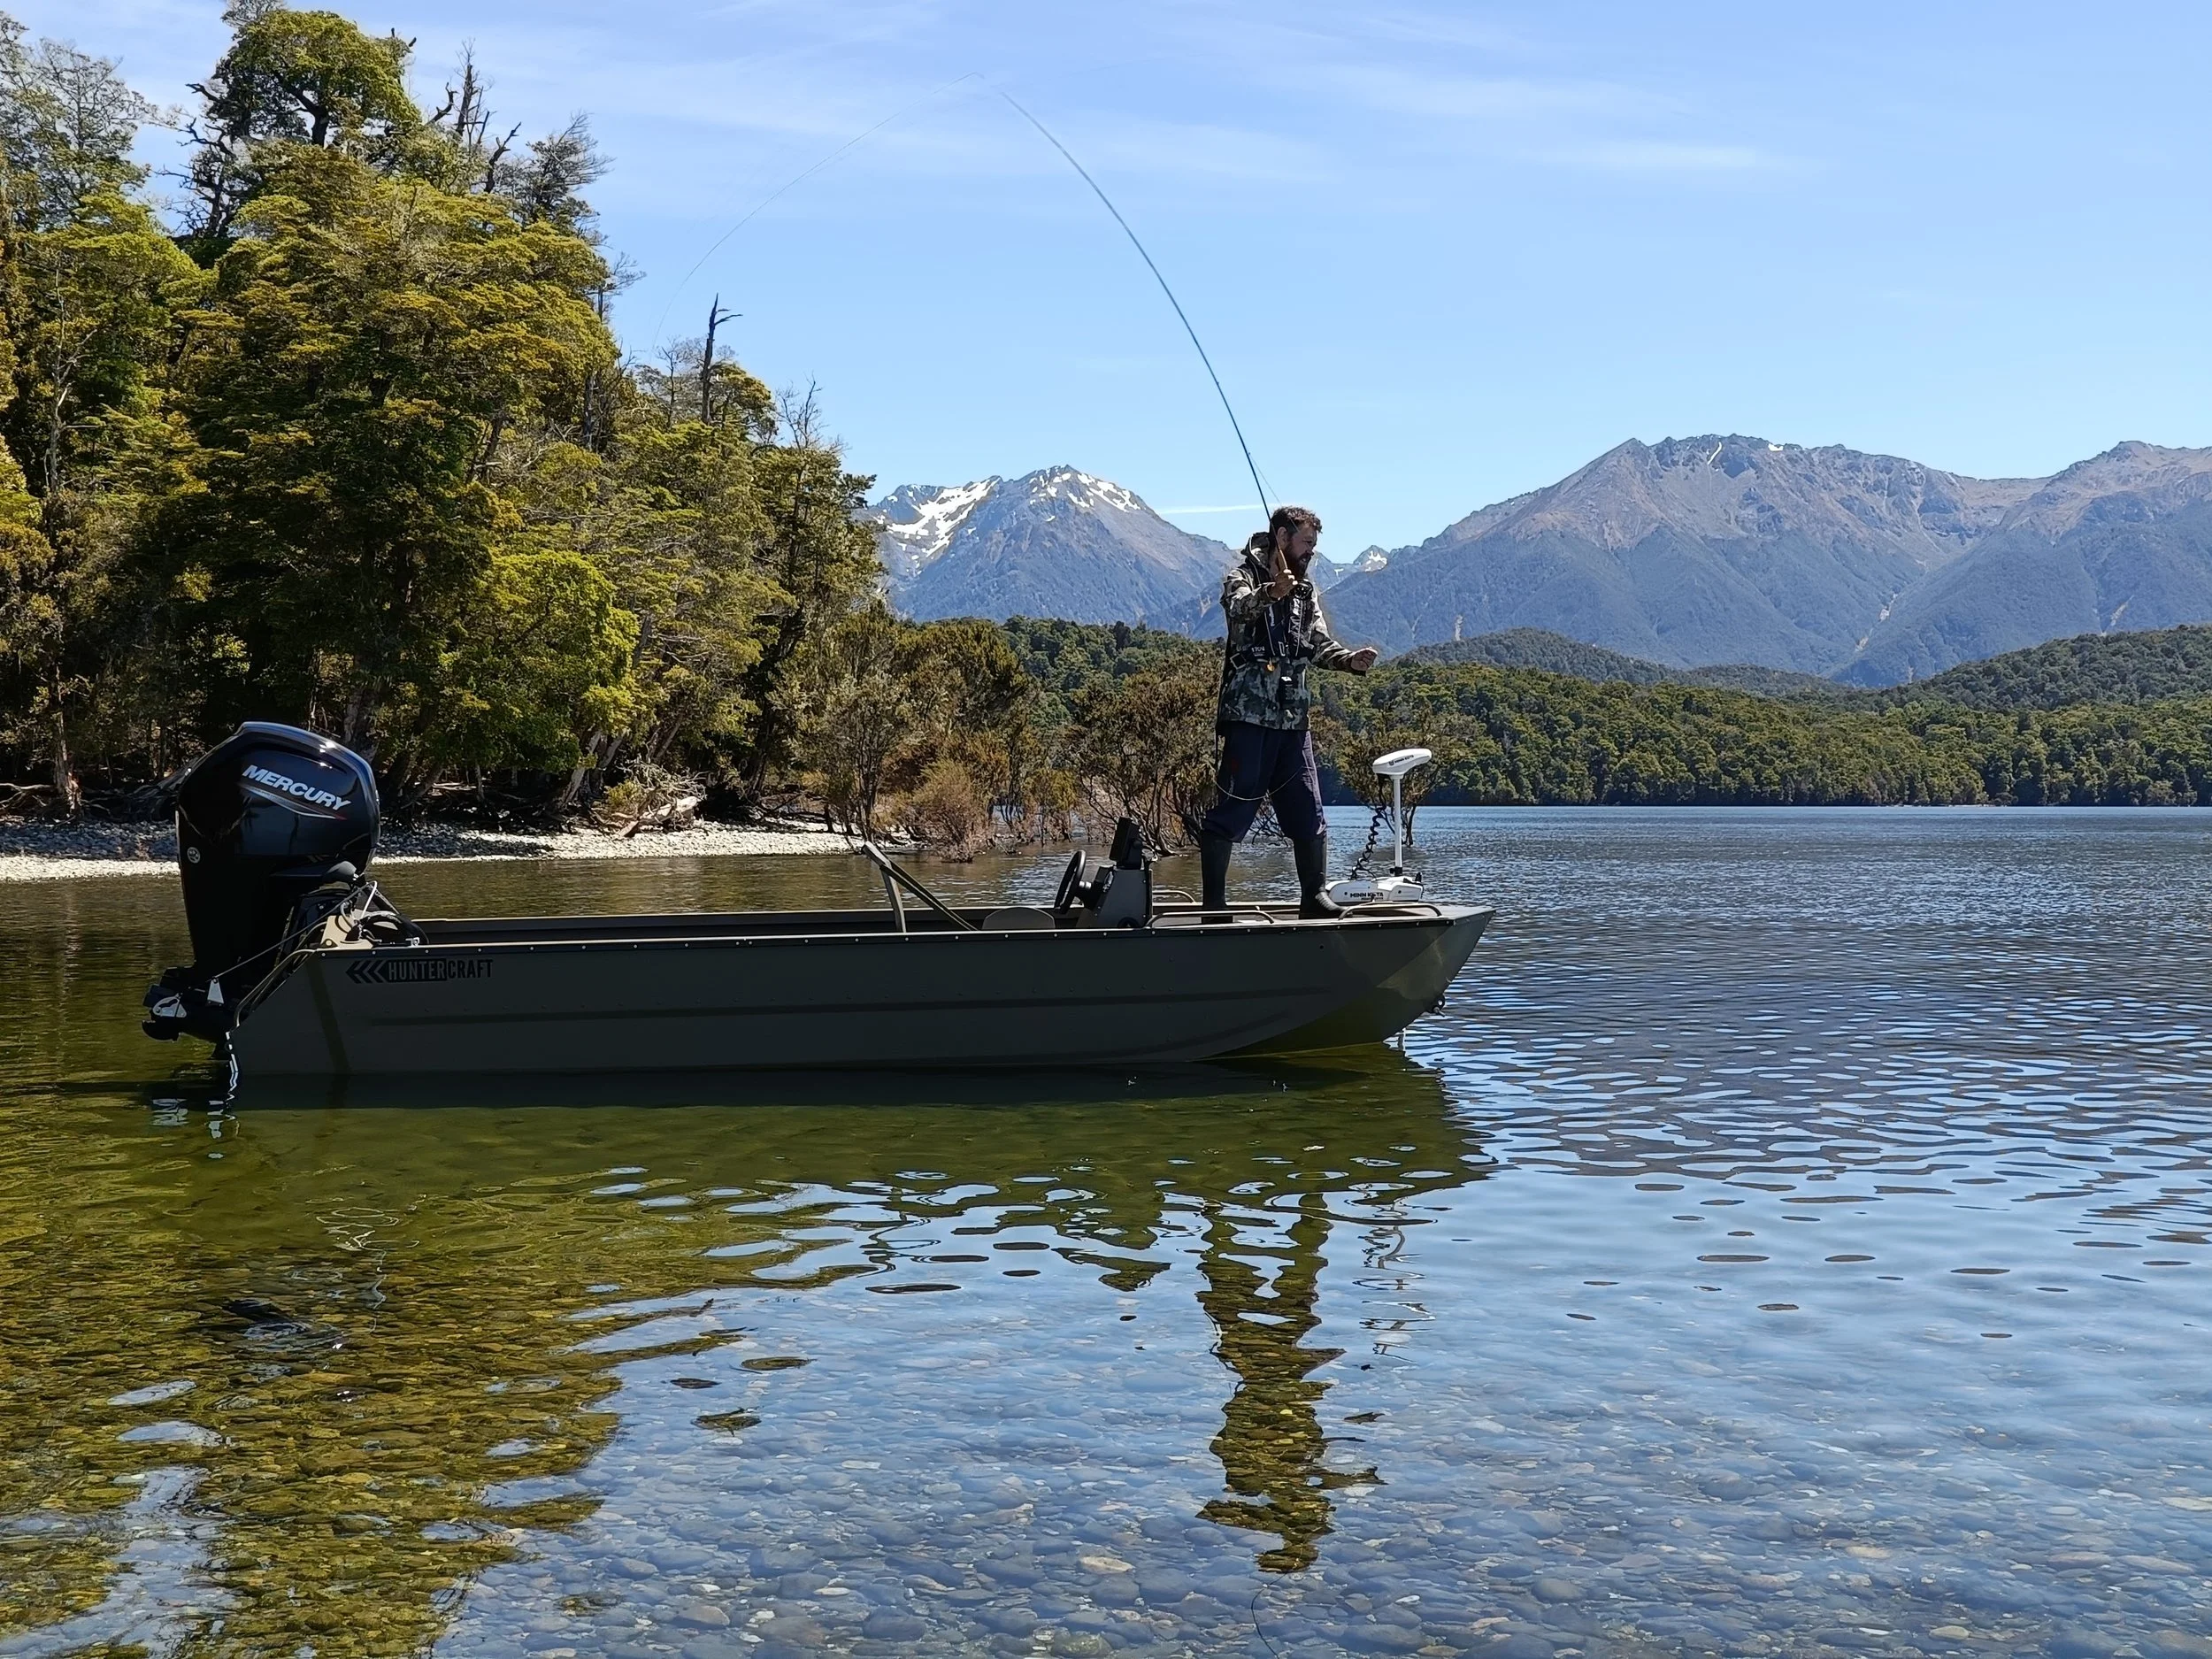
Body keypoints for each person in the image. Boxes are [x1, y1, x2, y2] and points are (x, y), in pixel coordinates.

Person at [1199, 505, 1377, 918]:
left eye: (1314, 546)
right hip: (1248, 718)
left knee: (1307, 807)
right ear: (1282, 537)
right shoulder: (1241, 577)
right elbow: (1239, 609)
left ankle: (1313, 897)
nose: (1311, 553)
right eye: (1306, 544)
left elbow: (1317, 644)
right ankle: (1214, 906)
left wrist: (1350, 661)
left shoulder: (1306, 592)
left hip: (1293, 720)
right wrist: (1270, 592)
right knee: (1234, 805)